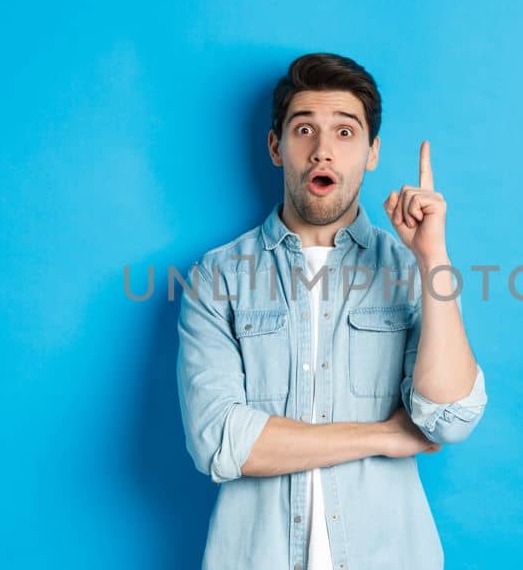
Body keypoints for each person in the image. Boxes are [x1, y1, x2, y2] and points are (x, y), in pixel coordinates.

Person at [176, 52, 488, 570]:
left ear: (371, 152)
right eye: (304, 130)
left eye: (345, 133)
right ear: (277, 147)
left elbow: (449, 419)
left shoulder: (410, 269)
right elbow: (220, 442)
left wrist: (433, 257)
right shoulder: (217, 277)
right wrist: (384, 435)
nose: (323, 151)